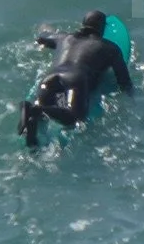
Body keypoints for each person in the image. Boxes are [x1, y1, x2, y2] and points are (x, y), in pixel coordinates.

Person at [22, 10, 132, 148]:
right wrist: (129, 97)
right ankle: (37, 110)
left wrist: (45, 28)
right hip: (75, 79)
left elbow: (41, 38)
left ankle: (32, 142)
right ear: (102, 28)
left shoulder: (64, 38)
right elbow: (124, 81)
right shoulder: (109, 48)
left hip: (50, 77)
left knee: (40, 121)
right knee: (74, 118)